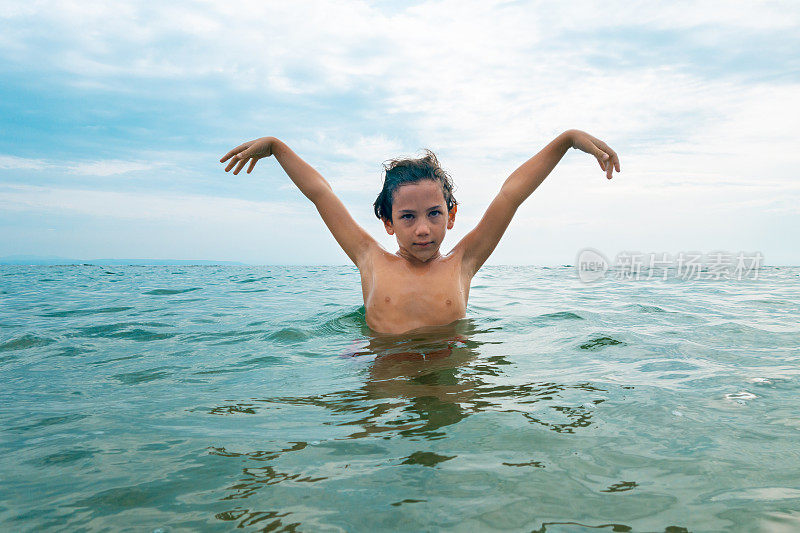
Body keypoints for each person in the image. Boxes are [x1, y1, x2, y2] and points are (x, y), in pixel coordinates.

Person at [220, 130, 620, 335]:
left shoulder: (464, 261)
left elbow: (510, 195)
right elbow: (320, 194)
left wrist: (567, 141)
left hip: (448, 367)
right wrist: (275, 147)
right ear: (388, 222)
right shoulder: (369, 259)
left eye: (433, 213)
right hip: (385, 368)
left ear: (451, 215)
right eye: (408, 217)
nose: (423, 228)